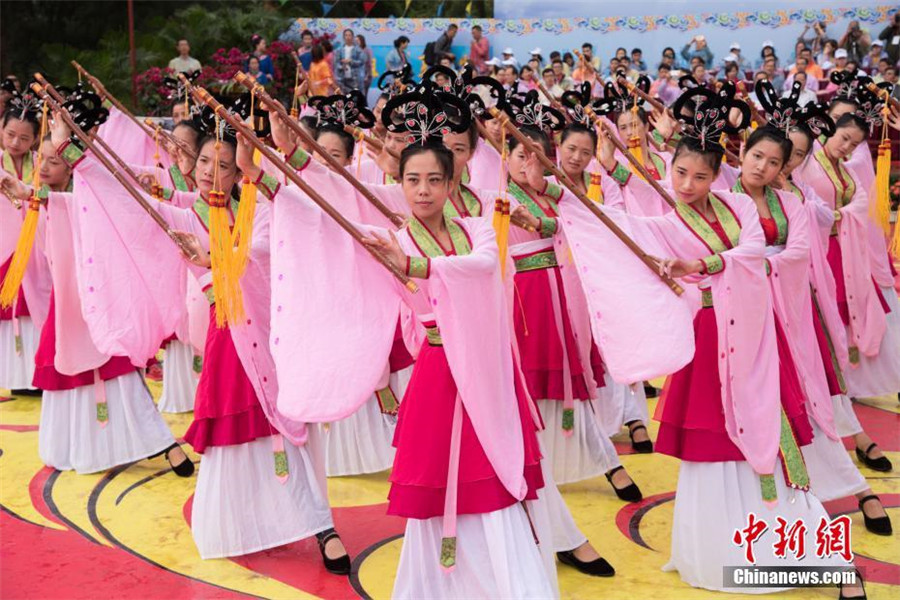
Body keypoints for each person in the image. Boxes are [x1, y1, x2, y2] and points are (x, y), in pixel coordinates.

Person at [594, 86, 866, 598]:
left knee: (777, 440)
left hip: (759, 331)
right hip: (707, 336)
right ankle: (716, 553)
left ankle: (819, 555)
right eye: (679, 173)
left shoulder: (741, 207)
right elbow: (624, 228)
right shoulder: (669, 219)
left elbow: (754, 251)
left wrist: (702, 265)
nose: (688, 183)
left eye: (700, 175)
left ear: (719, 171)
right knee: (711, 446)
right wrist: (569, 200)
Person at [56, 97, 349, 570]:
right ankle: (248, 521)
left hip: (270, 335)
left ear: (240, 173)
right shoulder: (191, 211)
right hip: (225, 334)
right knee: (237, 436)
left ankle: (320, 525)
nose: (212, 171)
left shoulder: (263, 211)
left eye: (225, 165)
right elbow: (133, 204)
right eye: (207, 161)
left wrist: (212, 255)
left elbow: (261, 254)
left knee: (287, 432)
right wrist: (78, 153)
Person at [0, 91, 50, 395]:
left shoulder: (42, 164)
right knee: (7, 311)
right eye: (9, 135)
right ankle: (10, 375)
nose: (16, 143)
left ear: (35, 139)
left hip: (38, 247)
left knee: (35, 308)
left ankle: (35, 373)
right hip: (4, 246)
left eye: (24, 138)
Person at [334, 29, 365, 93]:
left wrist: (351, 61)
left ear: (353, 37)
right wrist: (341, 66)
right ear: (343, 37)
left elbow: (362, 61)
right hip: (342, 78)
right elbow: (336, 63)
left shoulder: (358, 49)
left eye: (349, 35)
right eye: (346, 35)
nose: (348, 37)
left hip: (355, 79)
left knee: (356, 97)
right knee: (344, 98)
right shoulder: (339, 50)